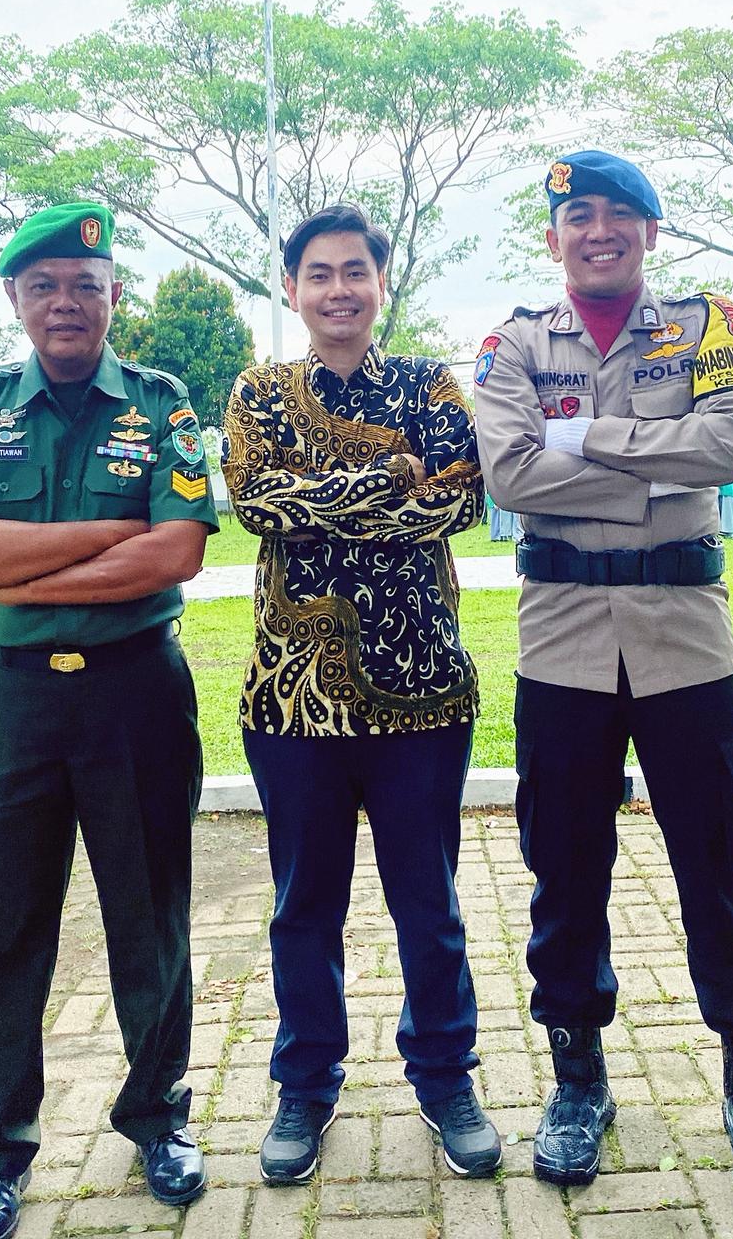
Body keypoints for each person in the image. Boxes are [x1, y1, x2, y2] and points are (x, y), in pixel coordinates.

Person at [473, 150, 733, 1208]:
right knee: (564, 865)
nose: (598, 230)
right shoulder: (513, 342)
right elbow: (510, 472)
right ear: (553, 235)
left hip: (685, 638)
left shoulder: (710, 325)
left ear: (651, 232)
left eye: (620, 213)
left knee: (719, 857)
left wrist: (583, 440)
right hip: (560, 640)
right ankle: (578, 1084)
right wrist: (653, 470)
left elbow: (730, 447)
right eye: (578, 214)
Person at [0, 203, 218, 1239]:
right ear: (15, 298)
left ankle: (158, 1118)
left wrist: (22, 563)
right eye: (44, 285)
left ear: (113, 297)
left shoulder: (162, 403)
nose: (65, 303)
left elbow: (178, 549)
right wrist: (107, 535)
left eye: (85, 286)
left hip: (137, 692)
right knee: (8, 927)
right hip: (14, 701)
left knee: (150, 920)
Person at [221, 203, 501, 1186]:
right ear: (291, 289)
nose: (338, 289)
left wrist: (326, 494)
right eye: (318, 273)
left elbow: (459, 498)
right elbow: (256, 502)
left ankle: (445, 1074)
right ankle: (305, 1082)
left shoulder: (430, 384)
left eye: (355, 271)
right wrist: (386, 478)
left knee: (429, 901)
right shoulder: (259, 392)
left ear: (381, 282)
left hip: (422, 691)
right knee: (304, 905)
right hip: (292, 700)